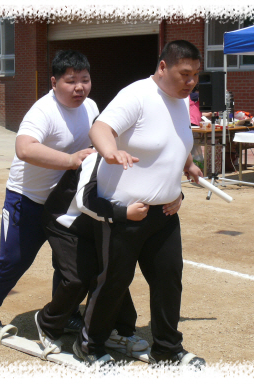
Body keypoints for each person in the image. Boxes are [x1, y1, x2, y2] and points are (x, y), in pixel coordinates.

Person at [71, 40, 206, 368]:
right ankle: (89, 345)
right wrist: (109, 151)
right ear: (163, 67)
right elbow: (101, 127)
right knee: (115, 282)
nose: (191, 82)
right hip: (123, 214)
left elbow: (172, 140)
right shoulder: (138, 95)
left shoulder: (180, 101)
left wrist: (186, 164)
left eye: (196, 75)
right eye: (184, 73)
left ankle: (167, 349)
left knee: (168, 280)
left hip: (165, 213)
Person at [0, 50, 98, 337]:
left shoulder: (91, 107)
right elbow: (25, 148)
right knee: (14, 260)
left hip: (66, 202)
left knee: (70, 264)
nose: (79, 87)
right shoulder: (43, 111)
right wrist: (70, 160)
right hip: (27, 199)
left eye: (85, 79)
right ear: (54, 82)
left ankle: (65, 312)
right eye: (71, 81)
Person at [34, 151, 149, 358]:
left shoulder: (137, 155)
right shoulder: (95, 158)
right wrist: (124, 213)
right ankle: (47, 323)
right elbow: (84, 202)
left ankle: (118, 330)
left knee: (112, 275)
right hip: (65, 223)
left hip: (98, 225)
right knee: (79, 279)